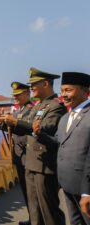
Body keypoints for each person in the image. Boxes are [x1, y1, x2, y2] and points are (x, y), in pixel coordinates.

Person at [0, 67, 66, 225]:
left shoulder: (56, 106)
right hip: (31, 162)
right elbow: (25, 127)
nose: (31, 88)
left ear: (46, 84)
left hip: (44, 165)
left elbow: (45, 129)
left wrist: (16, 122)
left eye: (34, 84)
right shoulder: (38, 106)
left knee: (49, 212)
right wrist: (4, 123)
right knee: (35, 211)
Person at [33, 72, 90, 224]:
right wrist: (39, 134)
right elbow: (58, 142)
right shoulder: (65, 118)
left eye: (68, 90)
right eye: (62, 90)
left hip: (85, 187)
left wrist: (87, 193)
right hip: (67, 182)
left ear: (85, 91)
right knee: (76, 221)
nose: (63, 94)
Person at [0, 81, 32, 225]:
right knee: (26, 190)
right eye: (14, 95)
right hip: (19, 154)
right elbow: (10, 129)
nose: (16, 98)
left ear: (27, 93)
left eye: (18, 95)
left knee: (33, 191)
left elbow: (27, 129)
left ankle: (38, 218)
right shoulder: (18, 110)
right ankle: (33, 217)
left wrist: (13, 121)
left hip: (29, 154)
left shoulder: (31, 109)